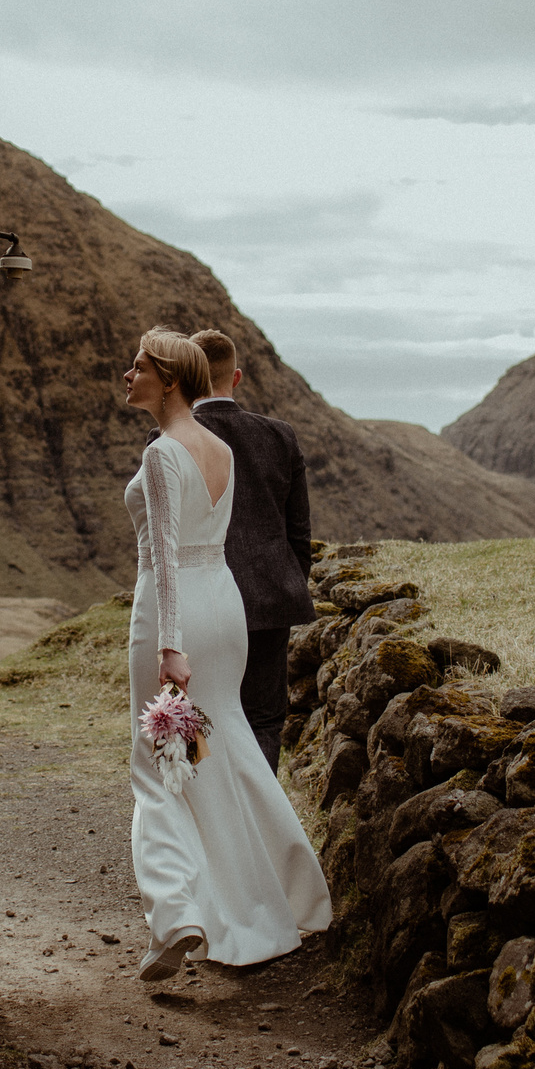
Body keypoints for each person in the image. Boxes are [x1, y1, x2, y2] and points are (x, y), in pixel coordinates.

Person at [120, 327, 333, 982]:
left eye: (140, 366)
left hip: (175, 619)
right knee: (229, 746)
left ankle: (176, 913)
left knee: (162, 768)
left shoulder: (162, 454)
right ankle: (289, 894)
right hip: (226, 611)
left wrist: (168, 646)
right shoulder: (218, 448)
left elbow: (164, 555)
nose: (128, 375)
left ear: (172, 379)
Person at [185, 328, 316, 772]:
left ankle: (210, 820)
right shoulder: (280, 436)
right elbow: (299, 535)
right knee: (262, 720)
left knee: (200, 716)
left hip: (202, 603)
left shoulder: (170, 439)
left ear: (185, 378)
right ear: (235, 377)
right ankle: (258, 827)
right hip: (268, 602)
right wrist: (282, 583)